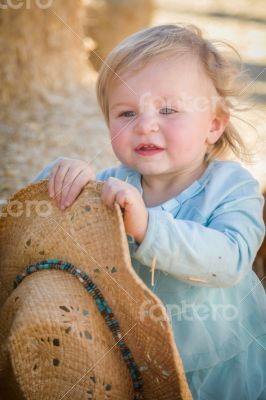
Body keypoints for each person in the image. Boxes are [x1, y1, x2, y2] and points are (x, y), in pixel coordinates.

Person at [33, 24, 266, 400]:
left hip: (219, 362)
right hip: (130, 357)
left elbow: (231, 259)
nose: (145, 125)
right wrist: (58, 180)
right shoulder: (109, 186)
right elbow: (42, 235)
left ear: (214, 125)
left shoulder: (231, 186)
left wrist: (149, 226)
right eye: (125, 113)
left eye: (168, 109)